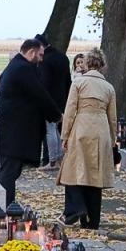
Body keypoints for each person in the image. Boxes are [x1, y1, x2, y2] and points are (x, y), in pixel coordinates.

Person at [0, 38, 60, 205]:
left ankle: (8, 205)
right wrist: (57, 115)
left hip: (12, 131)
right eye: (40, 54)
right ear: (31, 52)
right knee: (9, 172)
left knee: (11, 171)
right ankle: (5, 207)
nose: (42, 59)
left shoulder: (17, 66)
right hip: (14, 133)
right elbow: (40, 94)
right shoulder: (23, 69)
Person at [58, 48, 118, 229]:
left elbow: (69, 111)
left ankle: (76, 208)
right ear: (102, 66)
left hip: (81, 128)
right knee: (95, 176)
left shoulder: (79, 83)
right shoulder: (109, 87)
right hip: (101, 131)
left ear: (86, 63)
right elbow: (112, 117)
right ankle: (93, 220)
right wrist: (113, 139)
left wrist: (65, 135)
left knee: (73, 172)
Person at [37, 34, 73, 169]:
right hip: (63, 98)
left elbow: (45, 82)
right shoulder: (62, 57)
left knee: (50, 129)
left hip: (50, 99)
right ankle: (60, 158)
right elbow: (67, 80)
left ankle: (52, 160)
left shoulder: (45, 60)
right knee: (59, 130)